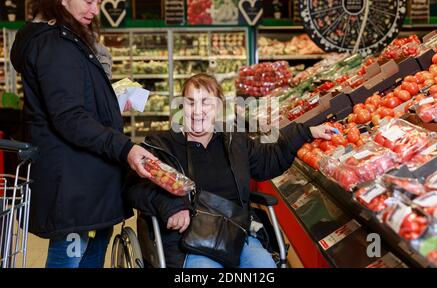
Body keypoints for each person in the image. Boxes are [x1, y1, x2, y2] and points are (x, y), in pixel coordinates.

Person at [10, 0, 155, 268]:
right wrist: (125, 148)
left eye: (99, 2)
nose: (95, 10)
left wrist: (107, 103)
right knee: (70, 258)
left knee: (91, 255)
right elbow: (69, 117)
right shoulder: (55, 46)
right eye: (89, 1)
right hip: (75, 183)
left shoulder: (68, 39)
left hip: (88, 179)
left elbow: (75, 101)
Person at [125, 74, 334, 268]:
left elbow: (269, 160)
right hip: (188, 241)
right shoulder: (163, 147)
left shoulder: (235, 141)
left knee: (264, 265)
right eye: (190, 102)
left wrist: (305, 132)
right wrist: (172, 205)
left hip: (237, 233)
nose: (197, 111)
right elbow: (136, 186)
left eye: (206, 102)